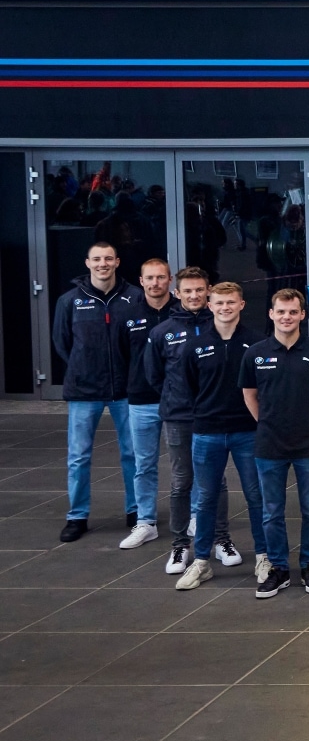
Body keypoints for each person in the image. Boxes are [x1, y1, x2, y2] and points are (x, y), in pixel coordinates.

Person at [239, 290, 309, 598]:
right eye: (281, 311)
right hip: (269, 446)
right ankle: (280, 569)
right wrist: (268, 423)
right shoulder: (255, 353)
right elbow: (249, 395)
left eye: (292, 312)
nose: (286, 317)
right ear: (271, 314)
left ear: (302, 315)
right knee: (271, 511)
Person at [145, 267, 239, 574]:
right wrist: (179, 399)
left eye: (200, 290)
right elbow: (155, 376)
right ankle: (179, 546)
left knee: (215, 482)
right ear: (178, 293)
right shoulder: (163, 332)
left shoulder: (223, 326)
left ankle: (221, 540)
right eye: (188, 291)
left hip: (214, 417)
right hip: (179, 417)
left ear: (209, 291)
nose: (194, 295)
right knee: (181, 482)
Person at [175, 282, 268, 591]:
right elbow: (188, 388)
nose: (225, 307)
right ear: (209, 306)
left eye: (231, 302)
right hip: (207, 433)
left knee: (257, 496)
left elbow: (264, 389)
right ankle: (201, 562)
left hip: (247, 432)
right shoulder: (195, 346)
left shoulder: (257, 344)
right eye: (219, 303)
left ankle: (264, 558)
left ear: (241, 304)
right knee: (205, 498)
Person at [52, 240, 141, 542]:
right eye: (96, 259)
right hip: (83, 390)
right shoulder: (70, 301)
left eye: (108, 259)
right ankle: (77, 517)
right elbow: (63, 343)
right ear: (87, 263)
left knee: (133, 454)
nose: (102, 264)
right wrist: (84, 367)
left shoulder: (134, 298)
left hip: (126, 390)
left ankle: (136, 511)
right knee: (78, 456)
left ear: (117, 262)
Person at [113, 257, 179, 550]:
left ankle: (189, 517)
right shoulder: (126, 315)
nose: (155, 283)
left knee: (184, 464)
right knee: (143, 464)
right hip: (140, 401)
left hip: (179, 401)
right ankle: (146, 522)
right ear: (141, 281)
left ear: (170, 280)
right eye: (149, 278)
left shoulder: (181, 314)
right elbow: (119, 357)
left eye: (161, 277)